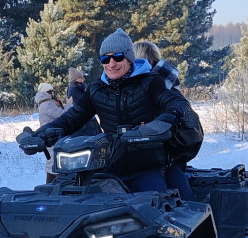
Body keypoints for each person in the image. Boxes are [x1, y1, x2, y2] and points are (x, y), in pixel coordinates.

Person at [29, 28, 199, 194]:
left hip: (146, 166)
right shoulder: (96, 89)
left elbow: (177, 103)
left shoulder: (150, 82)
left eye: (117, 57)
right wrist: (44, 132)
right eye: (105, 59)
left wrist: (163, 121)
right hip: (109, 167)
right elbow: (73, 116)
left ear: (129, 58)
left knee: (155, 205)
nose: (111, 64)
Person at [133, 41, 202, 199]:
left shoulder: (151, 83)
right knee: (176, 177)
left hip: (163, 147)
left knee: (169, 188)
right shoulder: (168, 78)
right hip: (178, 147)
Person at [34, 82, 65, 183]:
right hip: (52, 138)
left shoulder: (46, 103)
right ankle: (58, 185)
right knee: (56, 163)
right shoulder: (47, 105)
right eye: (49, 91)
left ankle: (49, 186)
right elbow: (62, 115)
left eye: (52, 91)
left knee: (51, 163)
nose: (52, 93)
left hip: (51, 137)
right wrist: (69, 104)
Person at [66, 67, 101, 136]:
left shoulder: (80, 88)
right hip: (85, 123)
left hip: (89, 121)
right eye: (80, 77)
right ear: (75, 78)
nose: (83, 79)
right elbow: (80, 106)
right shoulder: (74, 90)